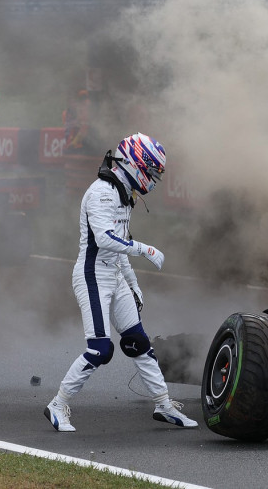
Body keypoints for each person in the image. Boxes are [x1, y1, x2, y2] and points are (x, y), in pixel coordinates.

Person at [44, 133, 198, 431]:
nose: (153, 180)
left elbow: (120, 245)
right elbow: (105, 239)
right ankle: (58, 404)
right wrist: (146, 249)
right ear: (134, 163)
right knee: (101, 349)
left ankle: (164, 405)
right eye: (151, 171)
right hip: (93, 274)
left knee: (138, 341)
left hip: (113, 273)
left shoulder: (123, 193)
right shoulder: (102, 192)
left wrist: (133, 283)